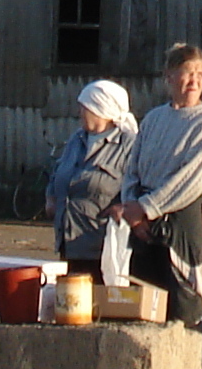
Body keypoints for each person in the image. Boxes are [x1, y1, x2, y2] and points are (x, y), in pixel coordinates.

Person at [114, 42, 202, 329]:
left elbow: (192, 177)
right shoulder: (154, 119)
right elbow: (133, 168)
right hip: (143, 222)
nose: (194, 80)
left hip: (182, 223)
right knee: (144, 306)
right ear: (169, 77)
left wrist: (149, 208)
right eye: (187, 73)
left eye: (200, 74)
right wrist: (132, 209)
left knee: (184, 306)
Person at [44, 79, 138, 280]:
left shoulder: (129, 146)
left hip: (102, 247)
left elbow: (142, 185)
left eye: (84, 107)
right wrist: (51, 197)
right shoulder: (77, 139)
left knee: (97, 304)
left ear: (101, 109)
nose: (80, 112)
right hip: (69, 242)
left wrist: (125, 207)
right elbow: (57, 171)